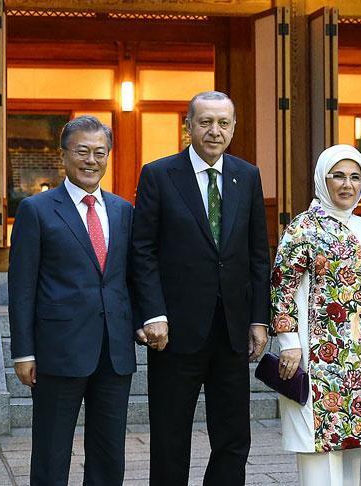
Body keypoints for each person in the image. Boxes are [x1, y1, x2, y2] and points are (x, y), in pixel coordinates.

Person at [131, 91, 270, 486]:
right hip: (174, 331)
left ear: (234, 128)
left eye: (223, 123)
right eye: (205, 122)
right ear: (188, 126)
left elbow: (258, 254)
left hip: (232, 329)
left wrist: (259, 319)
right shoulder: (159, 175)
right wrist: (153, 313)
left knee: (233, 436)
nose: (214, 131)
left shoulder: (247, 175)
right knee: (170, 436)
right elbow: (143, 251)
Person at [8, 116, 137, 485]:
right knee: (51, 450)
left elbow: (131, 277)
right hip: (58, 350)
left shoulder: (123, 210)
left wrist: (145, 321)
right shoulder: (37, 210)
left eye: (100, 152)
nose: (91, 160)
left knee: (109, 452)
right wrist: (23, 352)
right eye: (82, 151)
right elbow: (22, 286)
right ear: (63, 155)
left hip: (113, 351)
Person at [271, 144, 361, 486]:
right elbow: (282, 286)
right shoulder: (303, 227)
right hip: (312, 353)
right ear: (323, 178)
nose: (347, 184)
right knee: (316, 448)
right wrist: (289, 343)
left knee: (352, 443)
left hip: (359, 356)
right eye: (338, 176)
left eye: (355, 177)